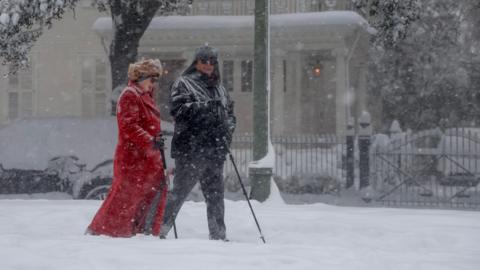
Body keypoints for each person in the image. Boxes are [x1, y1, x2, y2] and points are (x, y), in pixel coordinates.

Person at [160, 45, 236, 240]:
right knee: (179, 193)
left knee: (216, 196)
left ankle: (218, 234)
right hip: (191, 149)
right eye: (204, 60)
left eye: (212, 61)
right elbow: (179, 111)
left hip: (215, 150)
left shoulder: (220, 87)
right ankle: (157, 229)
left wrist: (226, 131)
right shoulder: (183, 83)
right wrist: (207, 109)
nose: (208, 65)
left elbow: (230, 114)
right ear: (197, 62)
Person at [86, 59, 168, 237]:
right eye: (152, 80)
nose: (154, 84)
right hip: (133, 160)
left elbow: (147, 125)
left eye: (156, 81)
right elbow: (128, 126)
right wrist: (150, 140)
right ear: (142, 77)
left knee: (141, 199)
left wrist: (155, 139)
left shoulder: (145, 95)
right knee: (123, 200)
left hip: (146, 160)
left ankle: (135, 232)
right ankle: (103, 232)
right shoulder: (130, 95)